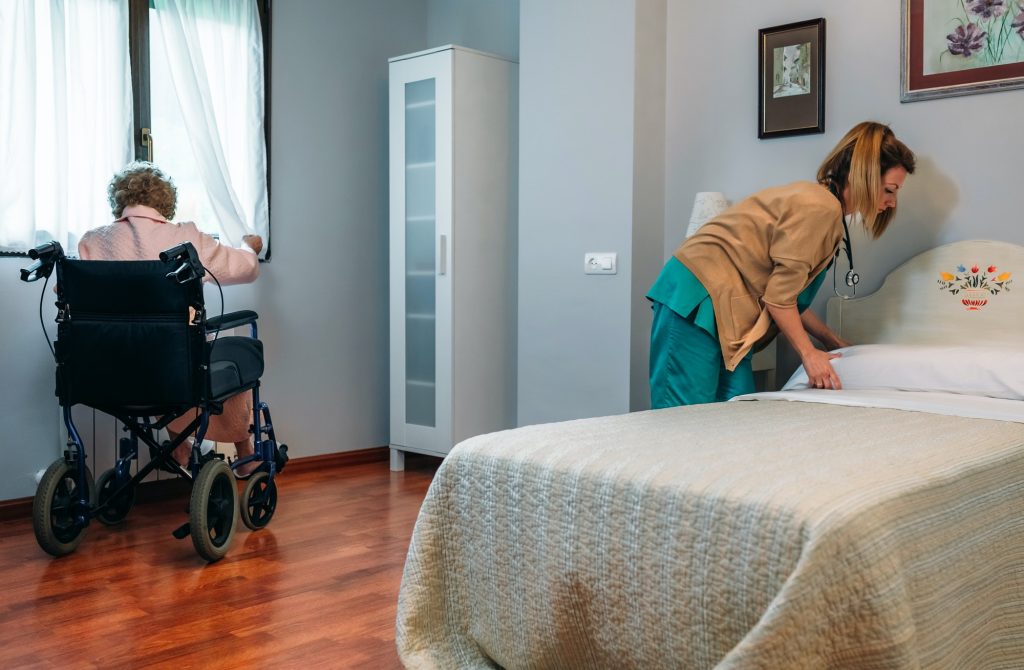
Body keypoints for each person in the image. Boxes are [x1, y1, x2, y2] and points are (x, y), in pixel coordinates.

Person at [648, 121, 916, 409]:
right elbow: (779, 300)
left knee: (738, 411)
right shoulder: (819, 208)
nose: (892, 202)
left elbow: (788, 295)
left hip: (728, 313)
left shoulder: (825, 210)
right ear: (862, 177)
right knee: (682, 418)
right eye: (889, 190)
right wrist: (808, 353)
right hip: (698, 297)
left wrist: (831, 339)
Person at [79, 161, 263, 476]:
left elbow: (72, 293)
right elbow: (245, 269)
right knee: (231, 359)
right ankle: (245, 452)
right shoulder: (187, 238)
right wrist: (250, 247)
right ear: (166, 202)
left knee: (156, 351)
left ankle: (178, 445)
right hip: (174, 369)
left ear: (119, 201)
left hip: (112, 373)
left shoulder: (93, 241)